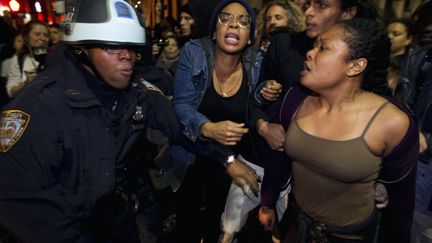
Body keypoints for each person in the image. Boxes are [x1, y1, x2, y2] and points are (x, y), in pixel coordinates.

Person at [0, 0, 256, 242]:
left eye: (131, 46)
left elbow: (178, 128)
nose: (127, 56)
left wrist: (227, 158)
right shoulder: (39, 106)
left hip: (120, 218)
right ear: (81, 49)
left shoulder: (139, 92)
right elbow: (18, 198)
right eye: (112, 46)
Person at [259, 18, 418, 243]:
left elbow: (399, 209)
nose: (310, 53)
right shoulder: (295, 100)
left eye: (323, 48)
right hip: (297, 225)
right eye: (314, 46)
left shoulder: (391, 122)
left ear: (355, 66)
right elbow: (278, 156)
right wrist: (267, 202)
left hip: (350, 237)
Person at [162, 0, 263, 242]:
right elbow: (181, 107)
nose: (233, 25)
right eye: (225, 18)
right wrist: (207, 128)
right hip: (190, 156)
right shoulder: (194, 52)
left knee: (217, 225)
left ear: (250, 37)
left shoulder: (256, 62)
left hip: (230, 164)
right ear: (214, 31)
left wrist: (267, 91)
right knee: (187, 223)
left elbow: (258, 110)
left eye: (243, 21)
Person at [6, 20, 49, 97]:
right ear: (26, 37)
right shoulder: (19, 59)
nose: (42, 38)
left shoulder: (55, 56)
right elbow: (11, 91)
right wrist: (26, 83)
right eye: (37, 34)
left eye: (46, 35)